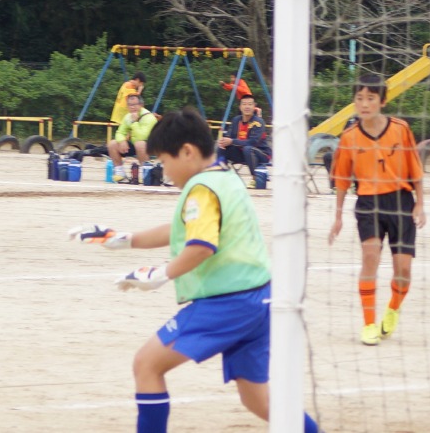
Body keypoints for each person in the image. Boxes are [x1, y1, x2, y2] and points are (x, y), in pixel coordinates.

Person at [69, 109, 319, 433]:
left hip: (228, 303)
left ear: (187, 151)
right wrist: (123, 239)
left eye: (164, 161)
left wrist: (159, 275)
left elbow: (201, 246)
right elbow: (183, 229)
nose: (165, 170)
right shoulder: (224, 176)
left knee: (146, 365)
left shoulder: (202, 187)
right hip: (260, 298)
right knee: (259, 400)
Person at [328, 73, 427, 346]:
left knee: (403, 269)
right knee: (370, 257)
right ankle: (369, 324)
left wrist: (420, 203)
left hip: (400, 202)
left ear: (382, 101)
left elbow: (415, 168)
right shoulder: (349, 137)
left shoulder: (400, 129)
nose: (364, 104)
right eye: (359, 98)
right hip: (368, 203)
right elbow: (342, 180)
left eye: (370, 98)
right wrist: (337, 216)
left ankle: (393, 308)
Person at [107, 94, 158, 183]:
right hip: (135, 145)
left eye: (135, 104)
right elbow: (120, 132)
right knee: (112, 144)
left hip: (151, 146)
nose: (132, 107)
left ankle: (145, 172)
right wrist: (122, 141)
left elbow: (142, 136)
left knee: (140, 144)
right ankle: (120, 173)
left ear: (141, 105)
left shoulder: (149, 117)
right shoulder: (127, 117)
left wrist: (134, 122)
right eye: (130, 105)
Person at [218, 95, 271, 172]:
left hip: (261, 153)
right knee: (222, 147)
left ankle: (255, 176)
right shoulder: (236, 120)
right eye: (244, 104)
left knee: (248, 148)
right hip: (242, 153)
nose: (247, 107)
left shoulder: (258, 122)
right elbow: (229, 137)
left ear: (254, 107)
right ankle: (221, 173)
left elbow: (253, 142)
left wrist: (232, 141)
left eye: (250, 104)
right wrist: (224, 141)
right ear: (240, 107)